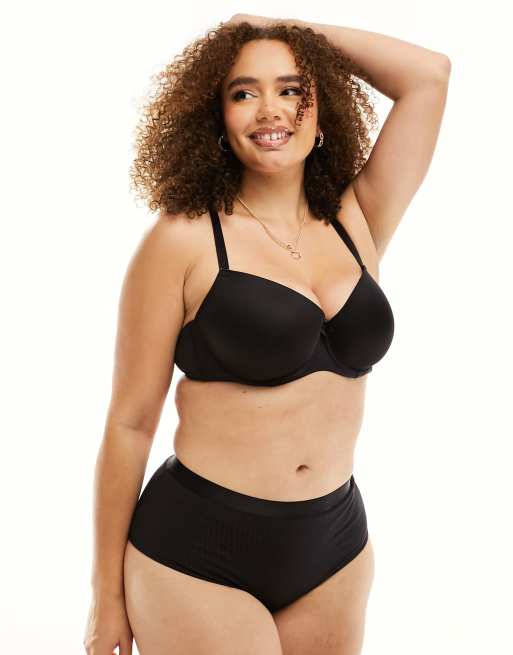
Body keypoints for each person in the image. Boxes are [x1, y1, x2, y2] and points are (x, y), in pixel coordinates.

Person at [83, 14, 451, 655]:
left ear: (321, 108)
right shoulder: (182, 240)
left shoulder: (359, 218)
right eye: (243, 92)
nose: (269, 109)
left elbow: (429, 76)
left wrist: (282, 28)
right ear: (217, 118)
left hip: (334, 547)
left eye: (291, 89)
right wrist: (105, 597)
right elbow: (130, 424)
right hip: (198, 552)